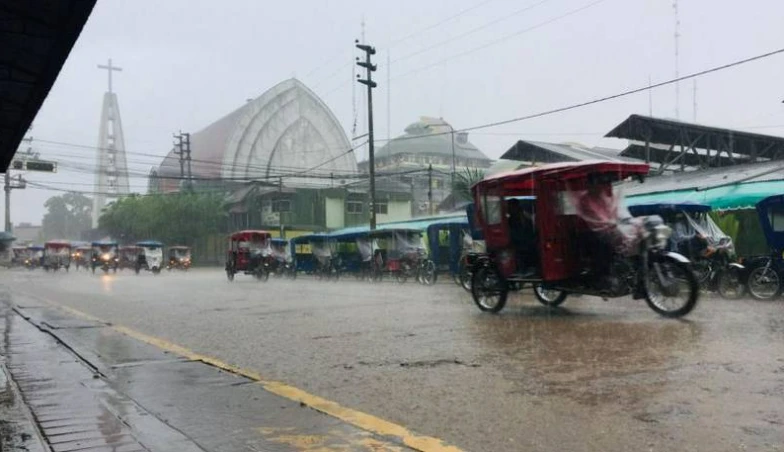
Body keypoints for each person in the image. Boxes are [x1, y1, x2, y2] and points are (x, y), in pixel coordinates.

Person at [507, 198, 538, 277]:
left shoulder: (523, 216)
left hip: (524, 240)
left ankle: (523, 270)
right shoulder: (512, 218)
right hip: (521, 239)